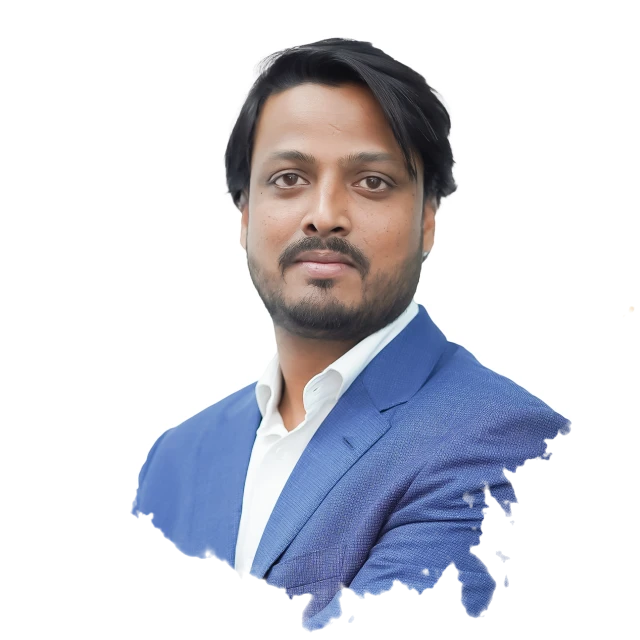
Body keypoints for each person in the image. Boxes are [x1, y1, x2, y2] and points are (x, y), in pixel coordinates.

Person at [130, 37, 572, 632]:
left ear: (427, 220)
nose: (325, 214)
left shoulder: (506, 444)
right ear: (245, 214)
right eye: (288, 178)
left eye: (372, 182)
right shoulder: (177, 459)